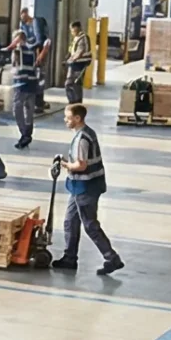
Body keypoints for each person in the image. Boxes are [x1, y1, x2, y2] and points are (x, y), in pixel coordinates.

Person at [51, 104, 123, 275]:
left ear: (77, 118)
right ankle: (69, 258)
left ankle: (111, 258)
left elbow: (81, 166)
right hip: (82, 187)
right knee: (70, 222)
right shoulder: (88, 132)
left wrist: (64, 164)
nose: (65, 120)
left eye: (68, 117)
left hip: (85, 187)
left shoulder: (82, 139)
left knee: (90, 225)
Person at [8, 42, 43, 150]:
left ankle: (25, 134)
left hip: (21, 84)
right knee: (29, 111)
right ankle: (27, 133)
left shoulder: (17, 50)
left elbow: (15, 65)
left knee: (17, 110)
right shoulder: (32, 50)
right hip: (32, 84)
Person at [65, 23, 93, 105]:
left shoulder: (83, 37)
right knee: (70, 83)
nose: (72, 32)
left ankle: (76, 102)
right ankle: (73, 101)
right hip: (74, 63)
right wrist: (68, 58)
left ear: (77, 28)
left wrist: (71, 59)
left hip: (80, 63)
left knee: (75, 83)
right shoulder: (76, 38)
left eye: (73, 29)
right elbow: (72, 50)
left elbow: (80, 51)